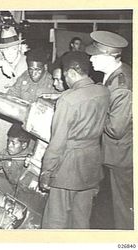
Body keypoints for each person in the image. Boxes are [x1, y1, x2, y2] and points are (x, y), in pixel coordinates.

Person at [40, 51, 110, 229]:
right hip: (92, 165)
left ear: (71, 73)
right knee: (81, 220)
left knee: (54, 222)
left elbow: (57, 142)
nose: (64, 81)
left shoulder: (68, 99)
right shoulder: (103, 91)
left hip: (68, 168)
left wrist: (46, 172)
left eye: (65, 76)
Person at [86, 31, 133, 229]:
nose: (90, 59)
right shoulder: (113, 75)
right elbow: (103, 92)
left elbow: (115, 129)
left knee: (124, 208)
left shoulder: (122, 85)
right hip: (114, 154)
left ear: (108, 56)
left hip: (122, 157)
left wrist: (90, 116)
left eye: (95, 55)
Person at [0, 123, 46, 228]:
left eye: (13, 143)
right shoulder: (6, 154)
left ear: (24, 145)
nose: (9, 145)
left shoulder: (30, 161)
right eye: (8, 141)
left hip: (26, 198)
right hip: (12, 189)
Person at [0, 26, 29, 153]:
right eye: (5, 50)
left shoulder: (27, 65)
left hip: (17, 120)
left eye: (13, 49)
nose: (9, 53)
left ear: (19, 48)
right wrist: (2, 62)